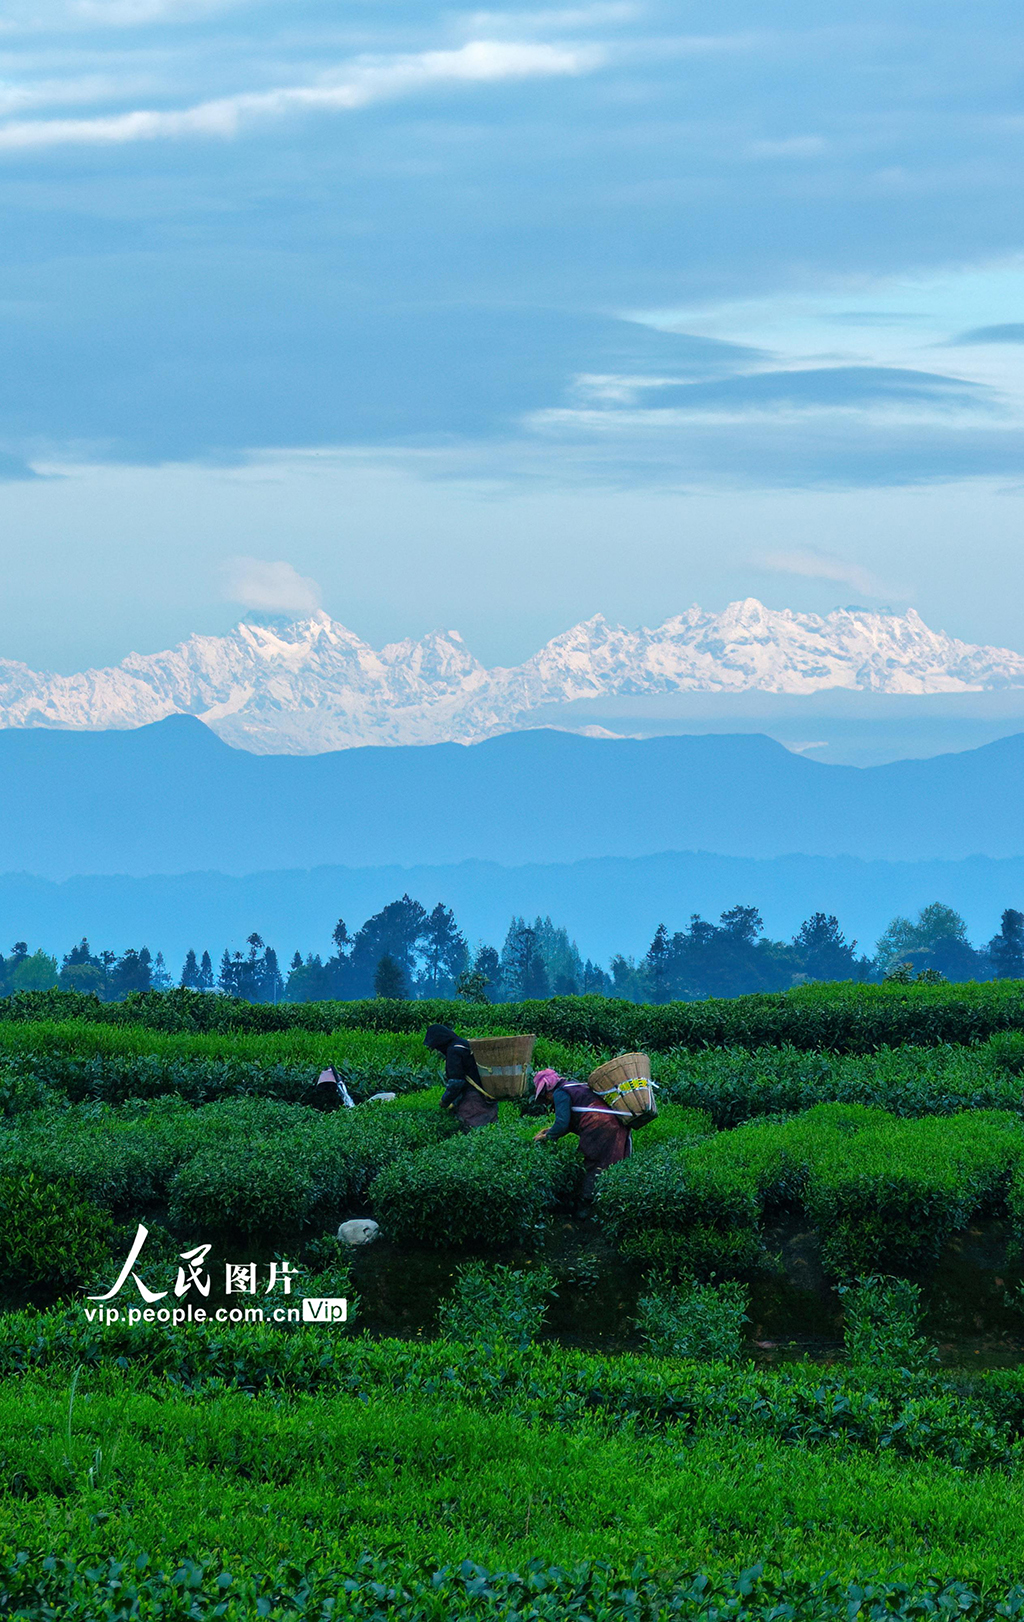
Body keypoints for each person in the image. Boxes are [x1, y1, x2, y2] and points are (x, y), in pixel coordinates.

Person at [532, 1067, 632, 1212]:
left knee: (591, 1163)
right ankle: (614, 1203)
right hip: (617, 1123)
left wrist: (548, 1138)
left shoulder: (561, 1093)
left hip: (599, 1125)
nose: (547, 1099)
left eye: (545, 1095)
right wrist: (548, 1132)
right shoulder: (573, 1086)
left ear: (548, 1090)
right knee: (613, 1163)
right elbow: (570, 1120)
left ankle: (585, 1206)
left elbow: (561, 1123)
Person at [423, 1023, 498, 1130]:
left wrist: (445, 1101)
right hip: (487, 1094)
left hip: (473, 1101)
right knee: (491, 1132)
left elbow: (456, 1082)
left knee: (473, 1134)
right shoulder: (464, 1044)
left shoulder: (454, 1051)